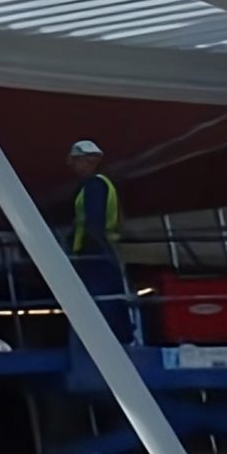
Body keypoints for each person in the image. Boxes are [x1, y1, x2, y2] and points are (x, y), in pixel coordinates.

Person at [65, 136, 132, 340]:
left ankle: (102, 341)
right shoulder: (97, 185)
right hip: (100, 251)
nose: (73, 164)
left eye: (77, 160)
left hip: (94, 253)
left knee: (99, 303)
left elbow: (94, 221)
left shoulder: (95, 186)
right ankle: (119, 338)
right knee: (108, 301)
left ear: (89, 161)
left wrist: (86, 249)